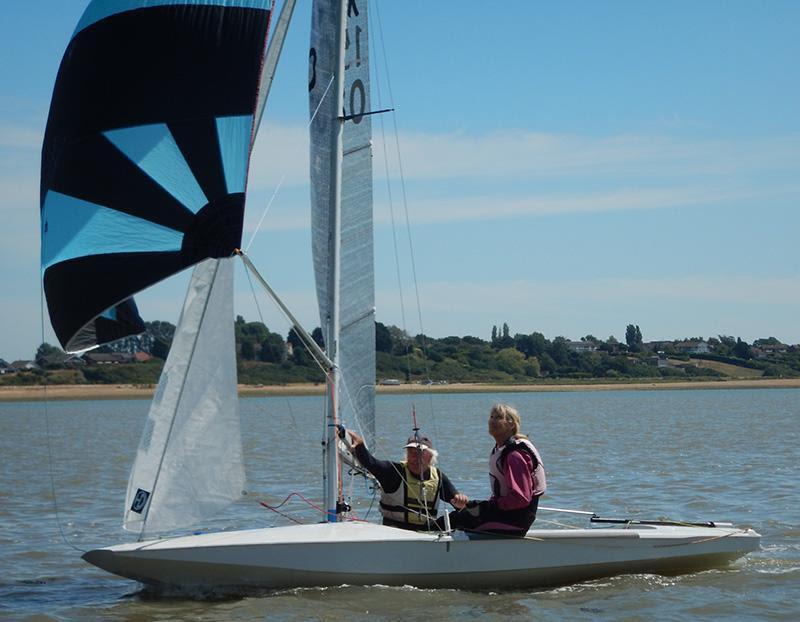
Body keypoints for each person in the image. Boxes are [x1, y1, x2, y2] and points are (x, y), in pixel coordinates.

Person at [449, 403, 546, 537]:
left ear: (511, 425)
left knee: (458, 520)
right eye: (491, 416)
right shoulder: (501, 450)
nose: (492, 420)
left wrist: (487, 507)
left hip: (515, 520)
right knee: (456, 516)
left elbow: (521, 498)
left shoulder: (514, 455)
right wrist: (482, 506)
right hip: (507, 515)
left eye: (499, 417)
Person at [346, 429, 468, 531]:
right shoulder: (393, 471)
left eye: (419, 453)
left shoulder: (438, 477)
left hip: (425, 533)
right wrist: (360, 446)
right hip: (395, 532)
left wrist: (460, 501)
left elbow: (457, 503)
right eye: (411, 453)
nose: (414, 458)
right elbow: (371, 463)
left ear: (430, 456)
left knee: (462, 517)